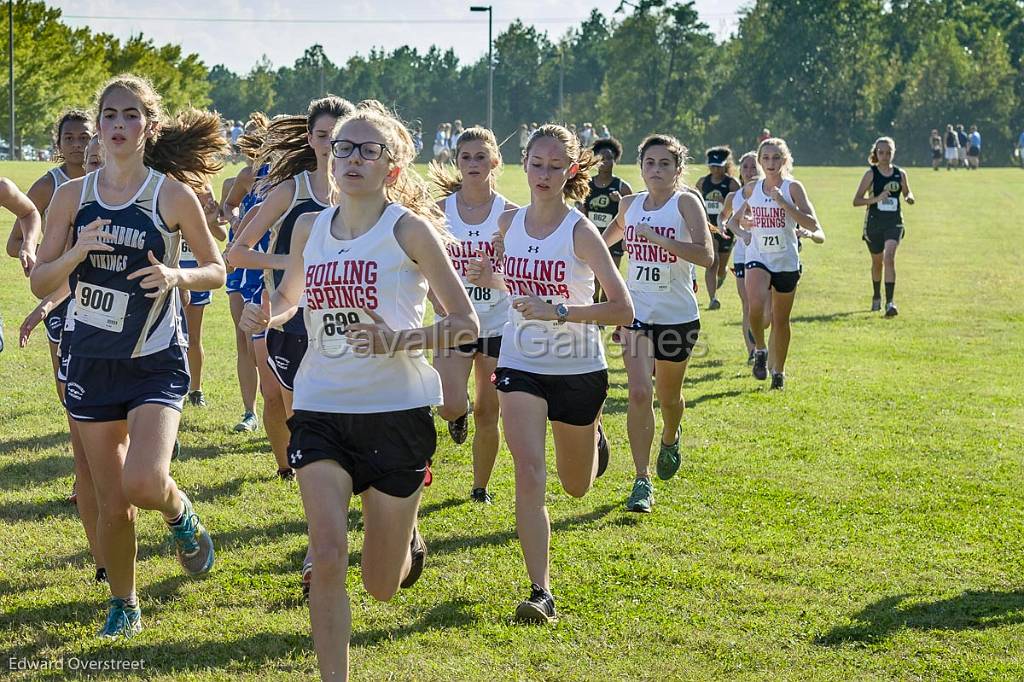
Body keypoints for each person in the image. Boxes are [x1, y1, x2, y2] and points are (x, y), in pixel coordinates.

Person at [241, 99, 478, 682]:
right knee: (326, 558)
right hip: (321, 405)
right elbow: (295, 295)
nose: (352, 158)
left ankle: (405, 537)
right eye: (344, 146)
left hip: (396, 413)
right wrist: (270, 318)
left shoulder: (410, 230)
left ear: (392, 168)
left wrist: (400, 340)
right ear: (328, 155)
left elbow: (466, 324)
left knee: (380, 584)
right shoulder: (308, 226)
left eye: (369, 150)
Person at [30, 73, 228, 638]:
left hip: (154, 359)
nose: (119, 125)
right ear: (98, 127)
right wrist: (78, 252)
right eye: (110, 115)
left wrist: (175, 274)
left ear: (149, 126)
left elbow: (216, 268)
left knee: (144, 481)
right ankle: (125, 601)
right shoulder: (73, 196)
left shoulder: (170, 194)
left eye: (131, 115)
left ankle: (179, 515)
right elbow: (42, 281)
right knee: (111, 501)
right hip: (91, 360)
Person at [486, 124, 633, 622]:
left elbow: (622, 309)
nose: (544, 173)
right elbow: (507, 281)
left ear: (570, 171)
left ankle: (592, 440)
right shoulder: (508, 224)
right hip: (519, 363)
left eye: (555, 166)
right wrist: (493, 280)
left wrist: (562, 312)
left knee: (576, 486)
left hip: (577, 367)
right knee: (528, 473)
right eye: (536, 163)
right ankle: (540, 591)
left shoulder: (580, 231)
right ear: (523, 164)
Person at [599, 134, 712, 513]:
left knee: (668, 398)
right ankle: (641, 479)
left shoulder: (686, 203)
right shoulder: (629, 206)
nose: (657, 169)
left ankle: (670, 435)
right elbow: (603, 243)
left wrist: (660, 241)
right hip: (637, 316)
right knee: (637, 394)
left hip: (678, 316)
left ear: (678, 169)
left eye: (665, 163)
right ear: (641, 167)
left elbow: (707, 256)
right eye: (650, 162)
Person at [429, 127, 517, 503]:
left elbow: (523, 278)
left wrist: (493, 276)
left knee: (488, 410)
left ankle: (480, 487)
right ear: (457, 162)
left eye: (481, 157)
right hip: (453, 321)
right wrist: (435, 295)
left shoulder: (511, 215)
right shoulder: (439, 211)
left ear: (495, 161)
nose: (473, 164)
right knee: (449, 404)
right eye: (466, 157)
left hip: (497, 323)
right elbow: (421, 263)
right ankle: (456, 413)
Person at [725, 137, 825, 390]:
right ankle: (760, 349)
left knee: (781, 320)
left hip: (786, 261)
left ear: (785, 160)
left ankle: (778, 371)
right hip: (758, 257)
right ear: (759, 161)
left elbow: (812, 224)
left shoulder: (793, 188)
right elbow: (732, 223)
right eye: (766, 158)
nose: (770, 163)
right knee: (755, 306)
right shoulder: (751, 189)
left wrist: (783, 203)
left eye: (776, 158)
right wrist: (745, 233)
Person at [219, 113, 270, 433]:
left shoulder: (283, 177)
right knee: (244, 341)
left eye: (259, 141)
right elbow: (229, 206)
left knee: (263, 344)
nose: (252, 147)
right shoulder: (246, 176)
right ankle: (249, 412)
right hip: (242, 265)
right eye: (248, 141)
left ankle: (275, 406)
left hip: (268, 265)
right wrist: (237, 223)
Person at [853, 136, 915, 317]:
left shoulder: (900, 173)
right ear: (876, 153)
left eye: (889, 152)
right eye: (881, 152)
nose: (885, 156)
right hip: (874, 223)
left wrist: (909, 196)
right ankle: (876, 296)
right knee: (877, 262)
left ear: (893, 153)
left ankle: (890, 303)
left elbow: (906, 191)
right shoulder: (870, 174)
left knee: (889, 257)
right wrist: (876, 199)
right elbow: (856, 200)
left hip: (894, 222)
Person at [180, 183, 228, 406]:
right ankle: (173, 388)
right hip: (173, 268)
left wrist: (208, 222)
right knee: (171, 336)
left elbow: (221, 233)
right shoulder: (171, 184)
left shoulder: (207, 188)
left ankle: (195, 389)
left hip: (199, 270)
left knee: (193, 335)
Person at [720, 151, 767, 362]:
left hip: (767, 254)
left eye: (754, 167)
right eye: (746, 167)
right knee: (747, 303)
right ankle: (752, 352)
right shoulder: (734, 196)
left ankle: (761, 337)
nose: (750, 171)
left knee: (765, 310)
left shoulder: (768, 193)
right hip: (742, 255)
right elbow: (724, 215)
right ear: (740, 170)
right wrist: (722, 224)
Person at [581, 137, 633, 303]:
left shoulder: (622, 187)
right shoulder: (587, 184)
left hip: (615, 239)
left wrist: (620, 202)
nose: (605, 162)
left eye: (609, 158)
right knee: (594, 276)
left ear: (615, 160)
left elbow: (632, 215)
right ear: (596, 160)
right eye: (602, 158)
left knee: (611, 276)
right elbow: (580, 209)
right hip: (592, 238)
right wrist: (581, 209)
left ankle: (606, 310)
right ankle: (594, 307)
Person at [695, 147, 741, 310]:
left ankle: (722, 276)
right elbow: (695, 202)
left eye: (719, 166)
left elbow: (741, 206)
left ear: (725, 165)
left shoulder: (732, 183)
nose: (715, 169)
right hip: (708, 227)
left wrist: (726, 202)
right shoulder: (702, 182)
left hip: (726, 229)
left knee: (721, 268)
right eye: (712, 166)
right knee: (712, 262)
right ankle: (713, 298)